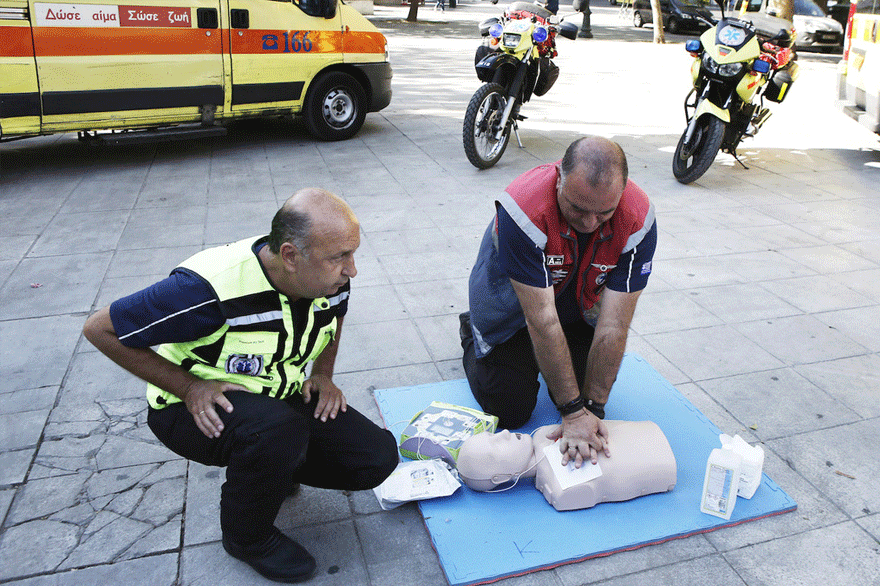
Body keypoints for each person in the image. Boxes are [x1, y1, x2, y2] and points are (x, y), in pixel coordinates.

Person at [83, 188, 399, 584]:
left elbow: (333, 319)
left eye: (353, 253)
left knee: (377, 457)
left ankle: (275, 466)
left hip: (276, 396)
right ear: (289, 255)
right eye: (339, 257)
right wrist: (189, 387)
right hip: (189, 409)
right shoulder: (207, 290)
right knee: (276, 431)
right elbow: (100, 328)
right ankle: (247, 537)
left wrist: (323, 374)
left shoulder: (329, 280)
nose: (352, 270)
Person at [461, 136, 656, 468]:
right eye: (578, 208)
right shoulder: (523, 210)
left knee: (584, 391)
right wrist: (571, 412)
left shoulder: (638, 220)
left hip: (577, 306)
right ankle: (472, 332)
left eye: (604, 213)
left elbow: (614, 323)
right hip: (515, 310)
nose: (589, 223)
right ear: (558, 178)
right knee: (509, 410)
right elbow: (541, 320)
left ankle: (554, 371)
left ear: (621, 193)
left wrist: (590, 409)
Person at [456, 421, 677, 511]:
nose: (503, 433)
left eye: (492, 434)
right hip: (661, 466)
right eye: (496, 445)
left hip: (648, 440)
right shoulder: (561, 491)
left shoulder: (544, 433)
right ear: (500, 478)